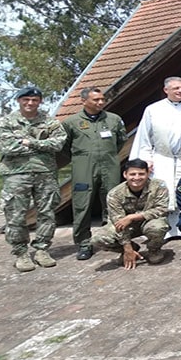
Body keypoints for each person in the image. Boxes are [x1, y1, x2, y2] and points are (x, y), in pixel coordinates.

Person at [0, 86, 67, 272]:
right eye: (26, 99)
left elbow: (58, 143)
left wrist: (30, 142)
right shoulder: (6, 122)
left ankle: (42, 249)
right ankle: (21, 253)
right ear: (19, 101)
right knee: (15, 215)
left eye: (34, 100)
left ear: (40, 102)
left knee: (47, 213)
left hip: (45, 173)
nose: (30, 103)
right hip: (16, 175)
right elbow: (6, 147)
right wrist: (42, 146)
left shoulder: (50, 122)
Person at [129, 76, 181, 237]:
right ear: (166, 90)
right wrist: (145, 160)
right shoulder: (152, 110)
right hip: (162, 158)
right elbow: (144, 137)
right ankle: (163, 230)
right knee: (163, 193)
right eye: (176, 88)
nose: (180, 91)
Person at [61, 86, 127, 260]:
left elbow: (121, 141)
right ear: (84, 101)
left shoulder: (114, 119)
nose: (100, 102)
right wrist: (83, 157)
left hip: (109, 166)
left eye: (102, 99)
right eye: (96, 100)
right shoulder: (71, 122)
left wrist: (108, 155)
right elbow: (64, 148)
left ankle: (114, 238)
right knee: (82, 205)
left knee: (113, 203)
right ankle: (84, 243)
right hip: (84, 167)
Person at [90, 159, 170, 269]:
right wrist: (128, 248)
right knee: (98, 239)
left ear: (148, 174)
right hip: (126, 227)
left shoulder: (158, 186)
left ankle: (154, 250)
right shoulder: (115, 194)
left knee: (158, 227)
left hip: (149, 221)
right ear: (125, 174)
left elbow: (161, 209)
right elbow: (119, 223)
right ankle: (131, 250)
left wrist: (133, 217)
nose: (137, 178)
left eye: (141, 174)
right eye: (132, 174)